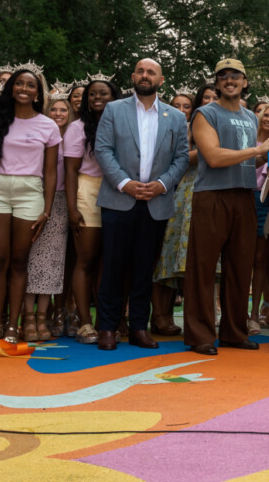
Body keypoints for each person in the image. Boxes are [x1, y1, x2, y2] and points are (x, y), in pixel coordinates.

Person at [92, 59, 189, 351]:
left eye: (152, 72)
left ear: (161, 81)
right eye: (141, 71)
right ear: (133, 76)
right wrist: (124, 183)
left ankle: (138, 328)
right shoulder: (114, 109)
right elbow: (103, 149)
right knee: (112, 268)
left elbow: (182, 158)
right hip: (119, 199)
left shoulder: (175, 117)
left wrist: (161, 185)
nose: (145, 76)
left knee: (144, 269)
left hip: (155, 203)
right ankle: (107, 328)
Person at [184, 59, 269, 355]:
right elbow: (213, 157)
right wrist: (258, 150)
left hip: (244, 195)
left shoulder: (250, 116)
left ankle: (234, 331)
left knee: (240, 268)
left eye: (236, 76)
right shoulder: (205, 113)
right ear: (217, 82)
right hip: (212, 195)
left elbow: (250, 158)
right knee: (203, 267)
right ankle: (200, 336)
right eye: (223, 76)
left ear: (245, 82)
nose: (230, 80)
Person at [0, 67, 60, 343]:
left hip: (30, 191)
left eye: (31, 85)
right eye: (19, 84)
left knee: (18, 260)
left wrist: (47, 209)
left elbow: (51, 172)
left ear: (38, 93)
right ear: (11, 87)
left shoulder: (47, 125)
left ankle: (13, 325)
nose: (24, 89)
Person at [64, 75, 121, 344]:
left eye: (103, 94)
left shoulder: (122, 123)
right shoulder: (77, 128)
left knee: (107, 262)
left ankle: (106, 321)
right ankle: (85, 323)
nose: (97, 99)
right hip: (87, 189)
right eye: (92, 95)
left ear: (114, 98)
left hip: (118, 191)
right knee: (85, 260)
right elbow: (71, 170)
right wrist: (72, 208)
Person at [24, 91, 74, 338]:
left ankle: (43, 317)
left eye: (63, 110)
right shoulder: (40, 134)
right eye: (54, 110)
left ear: (70, 114)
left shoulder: (74, 138)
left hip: (62, 202)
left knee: (52, 262)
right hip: (35, 198)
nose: (58, 114)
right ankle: (28, 317)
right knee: (29, 258)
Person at [150, 87, 199, 336]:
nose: (181, 110)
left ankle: (178, 316)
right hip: (165, 196)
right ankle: (159, 316)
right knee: (164, 259)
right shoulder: (164, 129)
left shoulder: (202, 131)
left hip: (192, 200)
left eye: (186, 106)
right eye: (176, 105)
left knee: (185, 262)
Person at [249, 100, 269, 332]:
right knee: (240, 258)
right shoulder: (248, 138)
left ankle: (253, 314)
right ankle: (235, 310)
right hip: (242, 196)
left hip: (265, 200)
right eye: (266, 114)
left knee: (260, 260)